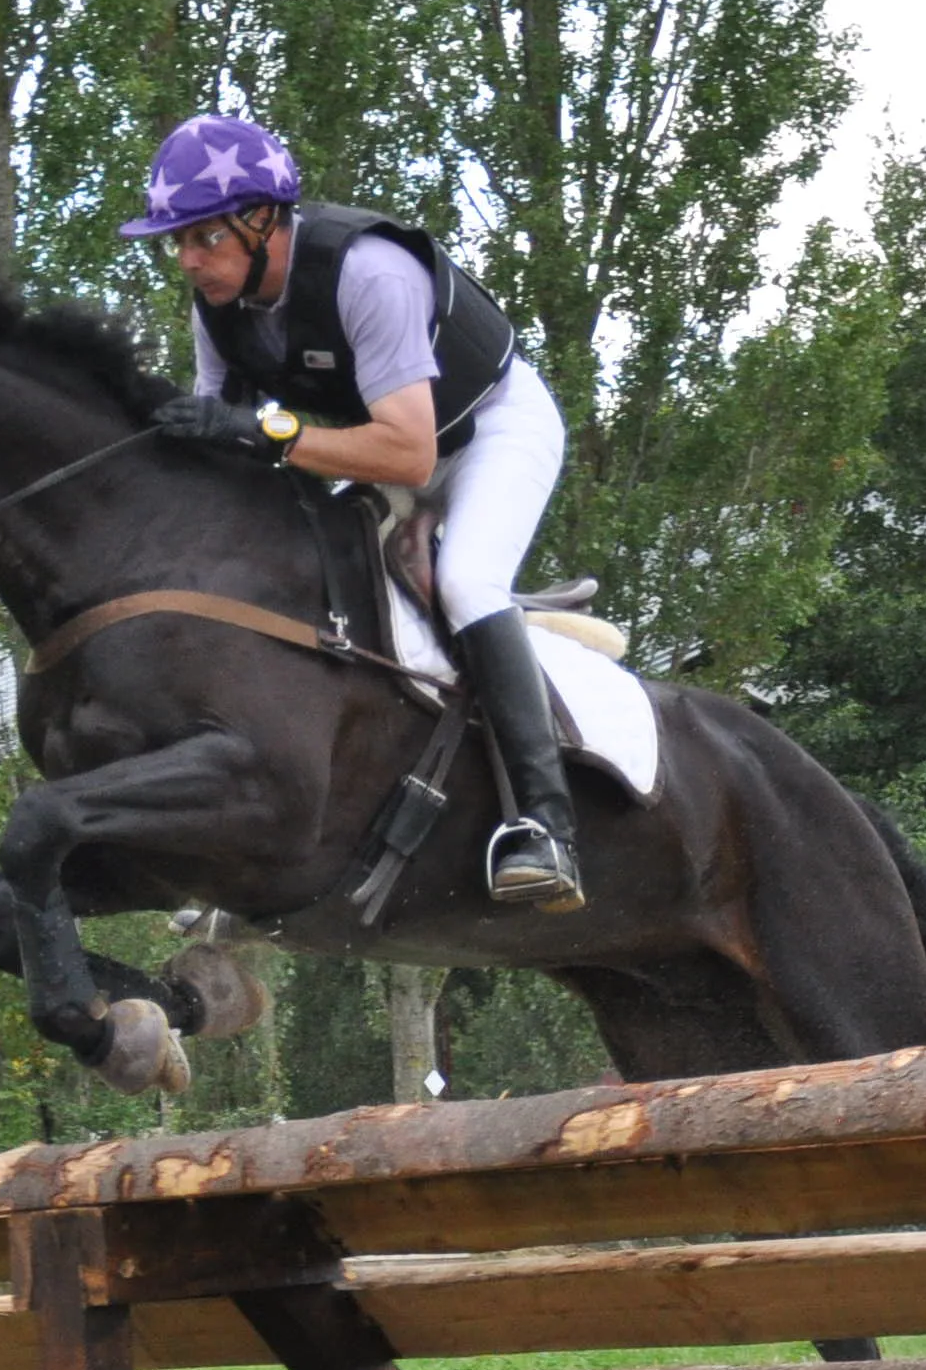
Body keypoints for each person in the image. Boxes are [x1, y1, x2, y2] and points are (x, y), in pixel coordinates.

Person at [114, 114, 583, 913]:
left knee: (466, 581)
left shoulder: (369, 273)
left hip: (488, 432)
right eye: (178, 243)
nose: (189, 261)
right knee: (299, 577)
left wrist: (270, 433)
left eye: (204, 238)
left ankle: (547, 826)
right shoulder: (218, 306)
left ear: (262, 219)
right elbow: (226, 446)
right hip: (381, 447)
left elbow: (410, 457)